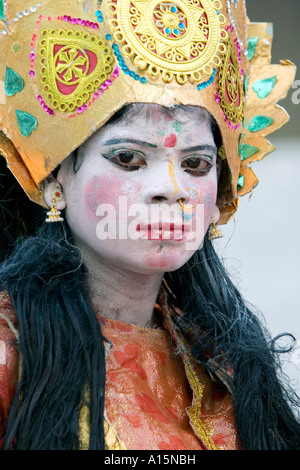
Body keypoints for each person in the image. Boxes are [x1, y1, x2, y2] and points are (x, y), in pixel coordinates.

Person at [0, 0, 299, 450]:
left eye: (196, 163)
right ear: (55, 179)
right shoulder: (10, 357)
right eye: (129, 158)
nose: (171, 188)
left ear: (219, 197)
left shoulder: (228, 367)